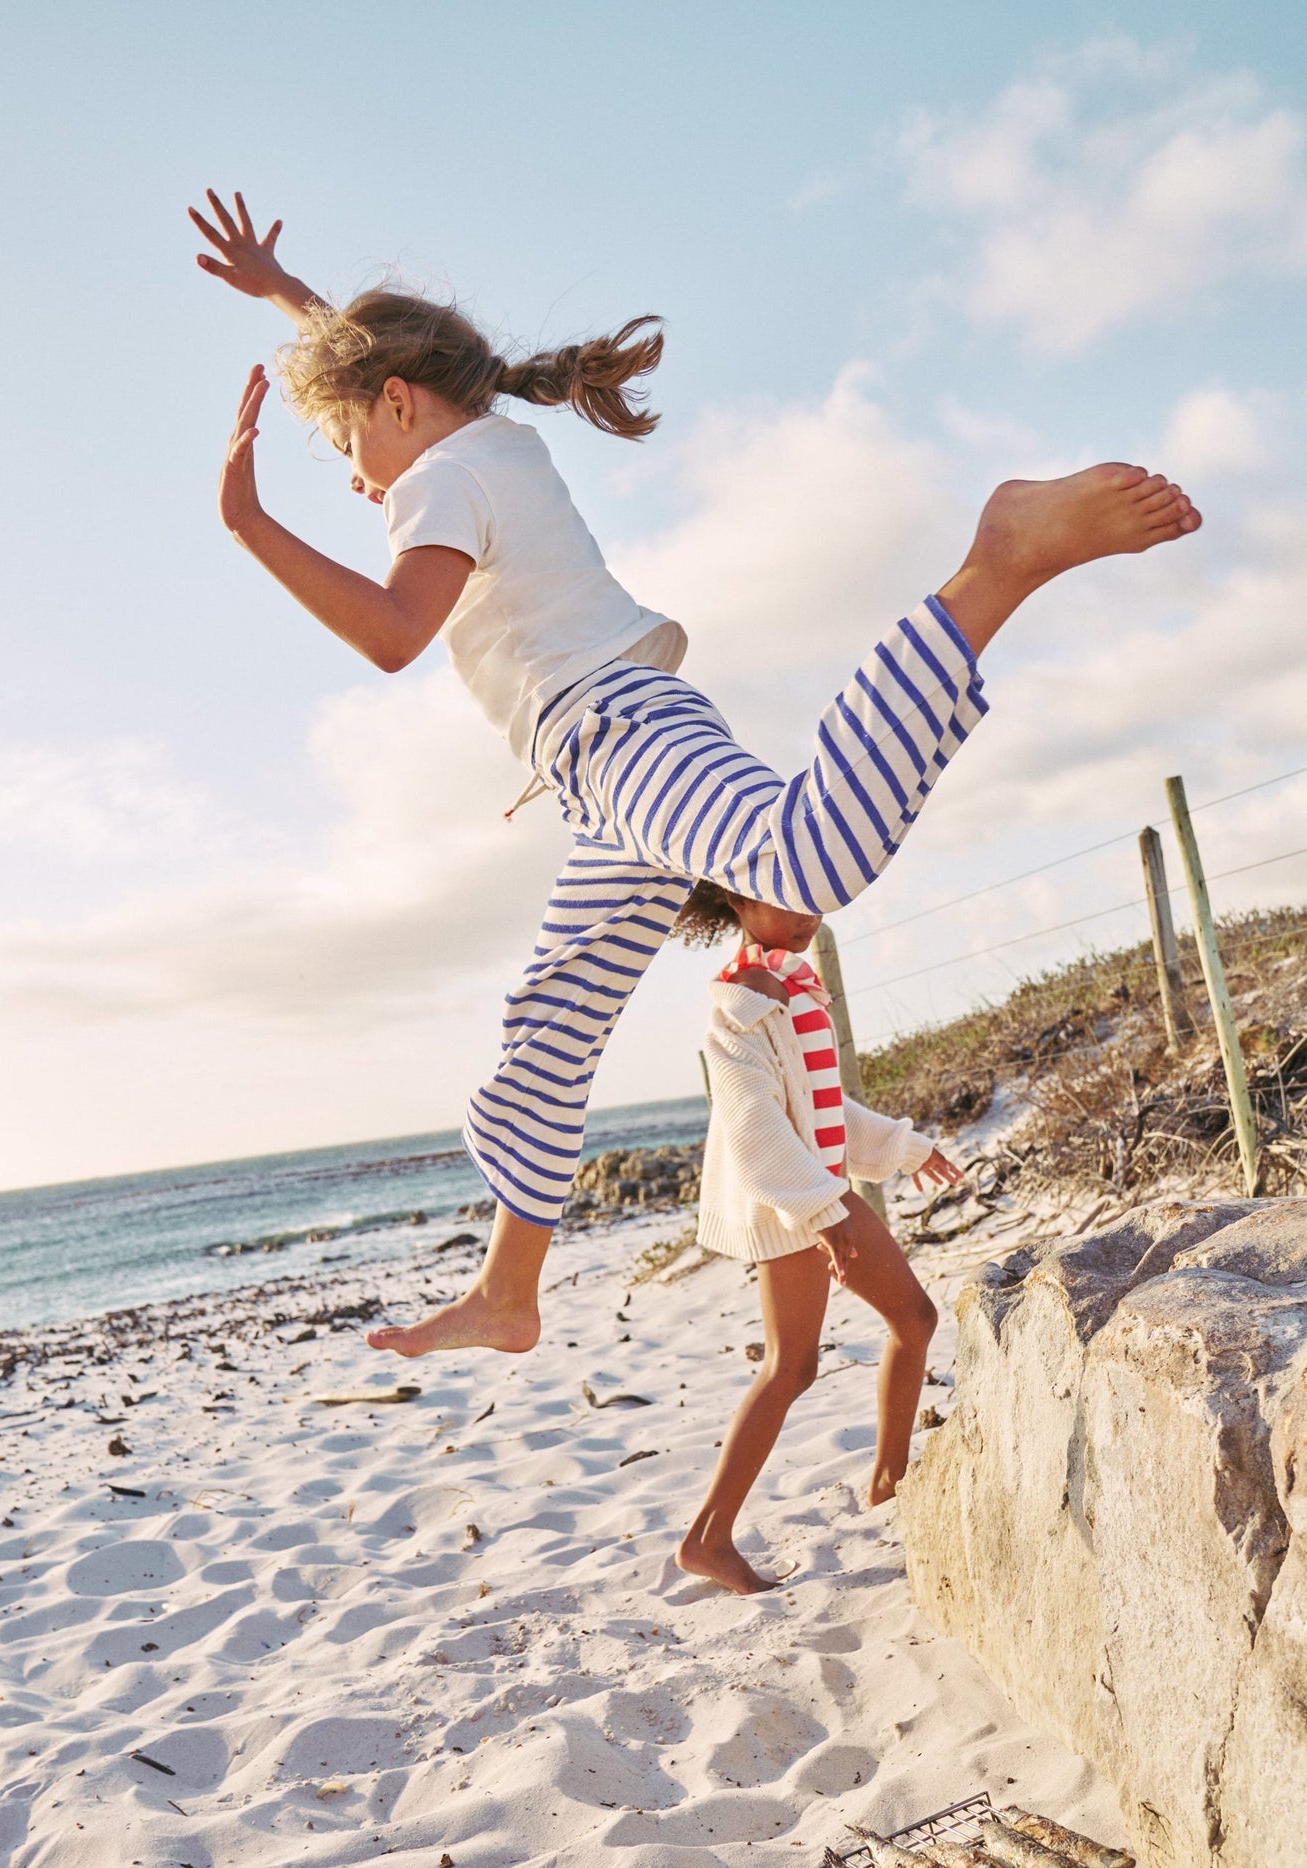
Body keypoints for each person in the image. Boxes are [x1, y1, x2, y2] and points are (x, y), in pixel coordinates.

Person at [189, 188, 1201, 1360]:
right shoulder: (484, 440)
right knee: (553, 1020)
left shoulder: (438, 479)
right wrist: (286, 294)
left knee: (804, 857)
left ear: (400, 404)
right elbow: (374, 375)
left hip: (615, 734)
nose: (355, 476)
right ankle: (510, 1289)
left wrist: (247, 525)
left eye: (344, 442)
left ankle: (997, 564)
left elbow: (389, 633)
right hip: (605, 766)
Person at [670, 878, 958, 1595]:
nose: (807, 919)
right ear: (737, 905)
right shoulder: (736, 1015)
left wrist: (903, 1146)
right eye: (786, 903)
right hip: (793, 1201)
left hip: (816, 1188)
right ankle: (711, 1537)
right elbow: (755, 1129)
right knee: (803, 1360)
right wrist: (821, 1213)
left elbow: (819, 1102)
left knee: (872, 1334)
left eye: (812, 902)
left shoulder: (789, 989)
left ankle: (886, 1487)